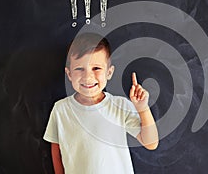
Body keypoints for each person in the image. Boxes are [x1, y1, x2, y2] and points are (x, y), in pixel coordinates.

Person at [43, 33, 159, 174]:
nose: (88, 77)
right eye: (79, 69)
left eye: (96, 68)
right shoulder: (61, 109)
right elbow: (56, 149)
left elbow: (151, 143)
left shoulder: (120, 106)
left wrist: (143, 108)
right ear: (69, 74)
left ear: (109, 73)